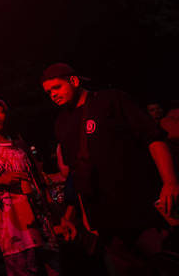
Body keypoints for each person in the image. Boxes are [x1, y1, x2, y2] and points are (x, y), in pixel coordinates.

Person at [41, 63, 179, 274]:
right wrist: (78, 216)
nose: (53, 95)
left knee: (167, 264)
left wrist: (170, 182)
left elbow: (154, 139)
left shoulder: (111, 100)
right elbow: (76, 173)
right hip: (106, 222)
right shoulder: (62, 122)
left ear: (74, 81)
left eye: (57, 87)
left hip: (141, 207)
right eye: (48, 92)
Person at [0, 98, 61, 276]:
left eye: (0, 111)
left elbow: (39, 181)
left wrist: (54, 215)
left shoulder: (20, 145)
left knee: (52, 267)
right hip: (11, 228)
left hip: (39, 221)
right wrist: (2, 180)